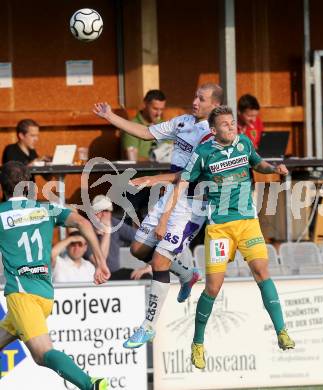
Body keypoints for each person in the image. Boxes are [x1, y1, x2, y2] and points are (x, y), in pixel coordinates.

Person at [158, 105, 295, 369]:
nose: (232, 127)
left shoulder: (244, 142)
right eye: (225, 124)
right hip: (220, 227)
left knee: (261, 269)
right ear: (213, 130)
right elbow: (182, 183)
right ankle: (198, 342)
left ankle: (281, 331)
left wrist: (274, 169)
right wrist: (164, 218)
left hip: (247, 222)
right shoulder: (203, 153)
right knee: (213, 287)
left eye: (232, 123)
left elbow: (258, 163)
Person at [93, 83, 223, 348]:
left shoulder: (213, 136)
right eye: (195, 95)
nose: (195, 101)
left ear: (214, 105)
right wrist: (110, 117)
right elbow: (145, 132)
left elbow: (189, 176)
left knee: (160, 261)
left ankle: (148, 326)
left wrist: (155, 178)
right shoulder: (183, 122)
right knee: (140, 250)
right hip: (171, 195)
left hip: (192, 204)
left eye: (202, 98)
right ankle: (188, 275)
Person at [0, 161, 110, 390]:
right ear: (30, 185)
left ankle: (91, 385)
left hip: (22, 295)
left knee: (42, 354)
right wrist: (100, 261)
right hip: (44, 295)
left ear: (3, 186)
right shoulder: (47, 209)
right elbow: (82, 222)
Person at [90, 195, 152, 280]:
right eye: (99, 211)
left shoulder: (114, 223)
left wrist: (148, 267)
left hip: (115, 273)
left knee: (145, 277)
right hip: (94, 275)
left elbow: (145, 240)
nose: (104, 214)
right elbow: (100, 263)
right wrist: (107, 232)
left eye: (107, 211)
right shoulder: (86, 229)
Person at [121, 89, 166, 161]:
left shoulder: (164, 125)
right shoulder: (131, 127)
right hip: (142, 171)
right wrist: (156, 162)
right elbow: (132, 159)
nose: (159, 113)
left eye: (161, 109)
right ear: (145, 104)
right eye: (155, 109)